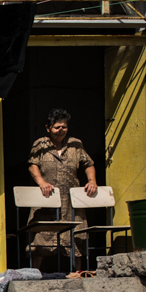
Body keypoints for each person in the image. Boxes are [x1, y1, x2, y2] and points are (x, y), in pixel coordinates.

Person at [27, 108, 97, 270]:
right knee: (41, 238)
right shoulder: (40, 144)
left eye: (63, 127)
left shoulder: (75, 144)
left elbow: (89, 164)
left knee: (76, 235)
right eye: (57, 127)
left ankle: (78, 272)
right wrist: (42, 182)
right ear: (48, 128)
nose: (60, 131)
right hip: (47, 198)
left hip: (70, 200)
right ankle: (33, 273)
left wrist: (92, 181)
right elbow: (32, 165)